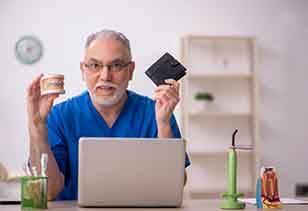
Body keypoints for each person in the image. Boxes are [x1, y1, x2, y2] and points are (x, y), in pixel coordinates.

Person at [26, 29, 190, 200]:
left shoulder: (157, 112)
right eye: (95, 65)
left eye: (116, 65)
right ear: (83, 70)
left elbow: (175, 186)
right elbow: (48, 192)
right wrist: (37, 128)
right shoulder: (59, 116)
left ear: (130, 70)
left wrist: (163, 125)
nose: (105, 76)